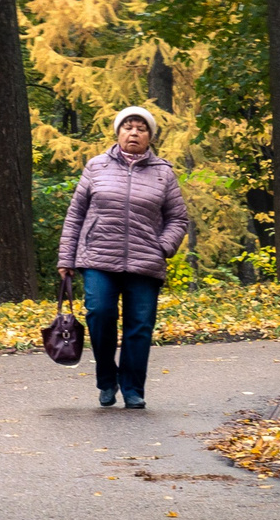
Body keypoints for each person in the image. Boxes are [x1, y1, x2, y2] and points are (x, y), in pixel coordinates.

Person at [55, 105, 190, 408]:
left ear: (150, 137)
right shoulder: (97, 166)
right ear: (117, 132)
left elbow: (178, 219)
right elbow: (75, 214)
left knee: (139, 326)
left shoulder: (163, 174)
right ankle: (107, 379)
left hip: (145, 261)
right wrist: (66, 257)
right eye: (128, 127)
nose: (134, 133)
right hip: (98, 257)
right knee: (99, 314)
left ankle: (132, 388)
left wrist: (163, 247)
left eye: (141, 129)